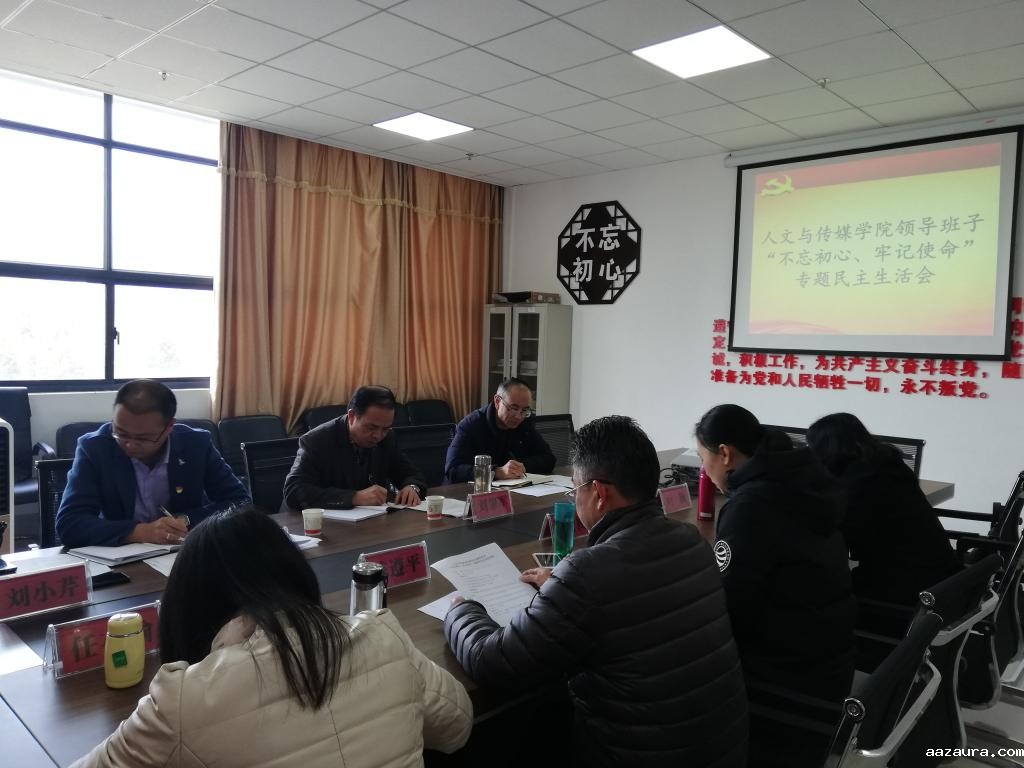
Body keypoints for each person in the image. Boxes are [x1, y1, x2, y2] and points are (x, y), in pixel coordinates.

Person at [444, 416, 747, 767]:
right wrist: (560, 585)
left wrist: (461, 610)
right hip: (723, 750)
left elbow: (492, 662)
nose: (575, 499)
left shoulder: (588, 574)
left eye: (576, 490)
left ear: (599, 494)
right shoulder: (691, 541)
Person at [71, 505, 472, 768]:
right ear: (294, 571)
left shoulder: (185, 699)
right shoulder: (383, 635)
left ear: (187, 606)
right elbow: (458, 727)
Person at [695, 404, 855, 768]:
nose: (703, 471)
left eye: (703, 460)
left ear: (725, 454)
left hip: (789, 682)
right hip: (830, 662)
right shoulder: (803, 480)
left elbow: (730, 606)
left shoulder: (751, 504)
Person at [56, 380, 248, 549]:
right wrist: (141, 532)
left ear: (169, 427)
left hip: (182, 553)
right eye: (120, 433)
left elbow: (240, 502)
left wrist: (186, 520)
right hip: (120, 556)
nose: (130, 444)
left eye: (143, 438)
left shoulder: (195, 444)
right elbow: (70, 524)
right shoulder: (95, 448)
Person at [807, 412, 960, 605]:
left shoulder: (856, 485)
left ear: (827, 449)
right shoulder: (888, 464)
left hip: (905, 589)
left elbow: (831, 539)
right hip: (942, 575)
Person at [284, 385, 426, 511]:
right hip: (323, 526)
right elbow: (294, 491)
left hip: (373, 523)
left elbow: (412, 475)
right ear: (352, 416)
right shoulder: (317, 440)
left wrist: (412, 487)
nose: (378, 435)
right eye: (371, 427)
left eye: (385, 429)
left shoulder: (387, 438)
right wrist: (354, 497)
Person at [444, 378, 556, 483]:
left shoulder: (524, 422)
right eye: (514, 408)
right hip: (471, 492)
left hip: (514, 489)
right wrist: (496, 472)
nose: (518, 416)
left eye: (525, 410)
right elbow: (453, 470)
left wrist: (522, 466)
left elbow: (549, 458)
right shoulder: (471, 425)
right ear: (497, 401)